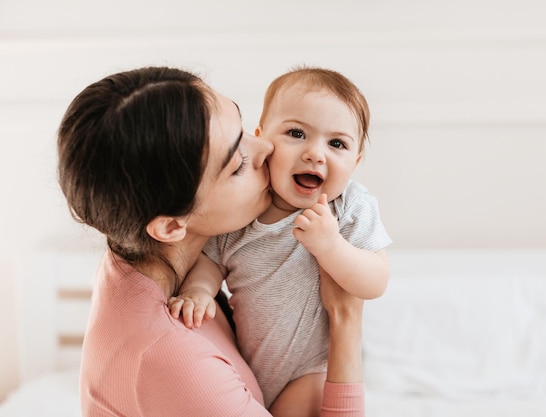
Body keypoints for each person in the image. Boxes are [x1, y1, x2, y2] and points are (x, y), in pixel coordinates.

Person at [57, 66, 367, 417]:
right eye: (237, 164)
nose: (266, 147)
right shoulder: (177, 362)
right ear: (172, 225)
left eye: (242, 126)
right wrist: (346, 318)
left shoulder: (130, 256)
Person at [169, 66, 392, 416]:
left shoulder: (348, 207)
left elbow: (376, 279)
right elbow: (210, 260)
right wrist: (198, 290)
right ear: (262, 138)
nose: (315, 154)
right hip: (246, 368)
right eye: (296, 133)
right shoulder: (242, 211)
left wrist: (332, 247)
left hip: (311, 370)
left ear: (355, 161)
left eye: (337, 144)